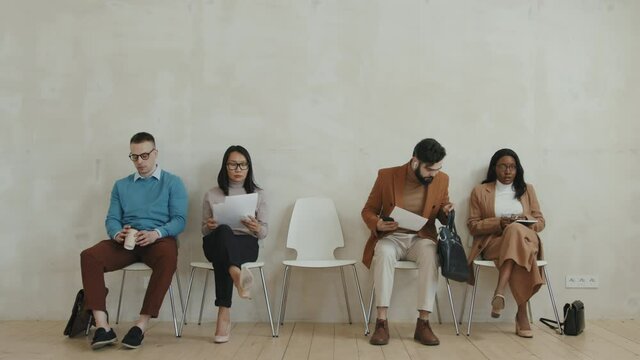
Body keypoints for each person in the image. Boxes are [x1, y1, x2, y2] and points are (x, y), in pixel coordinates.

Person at [80, 132, 188, 349]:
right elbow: (112, 218)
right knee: (89, 256)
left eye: (144, 156)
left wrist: (156, 233)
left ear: (155, 153)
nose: (140, 162)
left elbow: (179, 220)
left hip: (158, 239)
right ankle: (103, 326)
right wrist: (116, 232)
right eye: (134, 157)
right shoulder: (121, 185)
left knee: (168, 257)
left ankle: (140, 325)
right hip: (127, 240)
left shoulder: (173, 182)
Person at [361, 138, 453, 346]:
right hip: (391, 237)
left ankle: (423, 323)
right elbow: (368, 210)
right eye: (429, 169)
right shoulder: (387, 176)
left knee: (431, 253)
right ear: (414, 161)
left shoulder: (442, 179)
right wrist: (378, 224)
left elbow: (441, 210)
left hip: (420, 238)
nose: (434, 174)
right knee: (383, 253)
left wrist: (446, 212)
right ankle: (382, 322)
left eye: (438, 169)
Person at [466, 148, 545, 338]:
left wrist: (523, 219)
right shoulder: (480, 191)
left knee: (516, 230)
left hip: (527, 239)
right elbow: (473, 226)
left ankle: (499, 291)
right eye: (503, 166)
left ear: (517, 169)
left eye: (512, 167)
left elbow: (541, 222)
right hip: (495, 243)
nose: (508, 171)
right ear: (495, 168)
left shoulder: (527, 190)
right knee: (515, 237)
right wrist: (499, 223)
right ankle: (522, 313)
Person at [201, 145, 268, 343]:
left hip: (246, 243)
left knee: (226, 257)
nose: (238, 169)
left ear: (249, 168)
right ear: (225, 166)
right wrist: (210, 225)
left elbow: (264, 232)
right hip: (216, 241)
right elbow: (203, 230)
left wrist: (256, 226)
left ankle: (224, 313)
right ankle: (239, 277)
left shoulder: (258, 194)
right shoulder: (211, 194)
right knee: (223, 232)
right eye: (233, 164)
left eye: (243, 164)